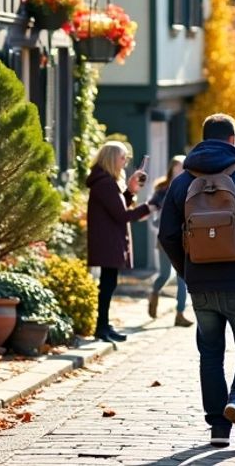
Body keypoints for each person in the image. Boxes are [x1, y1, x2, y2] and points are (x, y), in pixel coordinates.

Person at [159, 113, 235, 448]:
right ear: (232, 140)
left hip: (200, 283)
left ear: (203, 139)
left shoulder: (182, 181)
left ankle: (218, 428)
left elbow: (167, 234)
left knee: (210, 353)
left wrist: (187, 271)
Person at [86, 140, 151, 343]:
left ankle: (104, 325)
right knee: (107, 285)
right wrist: (150, 207)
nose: (125, 162)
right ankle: (101, 326)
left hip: (109, 238)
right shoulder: (104, 183)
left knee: (109, 283)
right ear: (112, 158)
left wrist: (130, 191)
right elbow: (121, 215)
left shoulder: (106, 182)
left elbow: (117, 207)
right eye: (123, 157)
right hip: (107, 240)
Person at [149, 155, 192, 327]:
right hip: (166, 238)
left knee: (183, 276)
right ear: (172, 168)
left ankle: (180, 313)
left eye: (184, 166)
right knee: (165, 275)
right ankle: (154, 293)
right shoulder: (162, 189)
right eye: (179, 166)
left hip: (184, 239)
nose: (181, 169)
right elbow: (151, 207)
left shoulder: (190, 187)